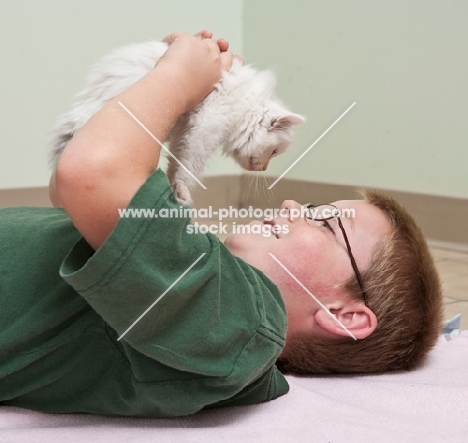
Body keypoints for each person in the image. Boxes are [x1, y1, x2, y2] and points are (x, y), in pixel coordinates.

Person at [0, 31, 443, 417]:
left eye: (326, 222)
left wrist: (174, 81)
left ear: (343, 316)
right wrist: (171, 99)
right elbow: (70, 191)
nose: (292, 203)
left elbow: (89, 175)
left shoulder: (238, 325)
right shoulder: (210, 289)